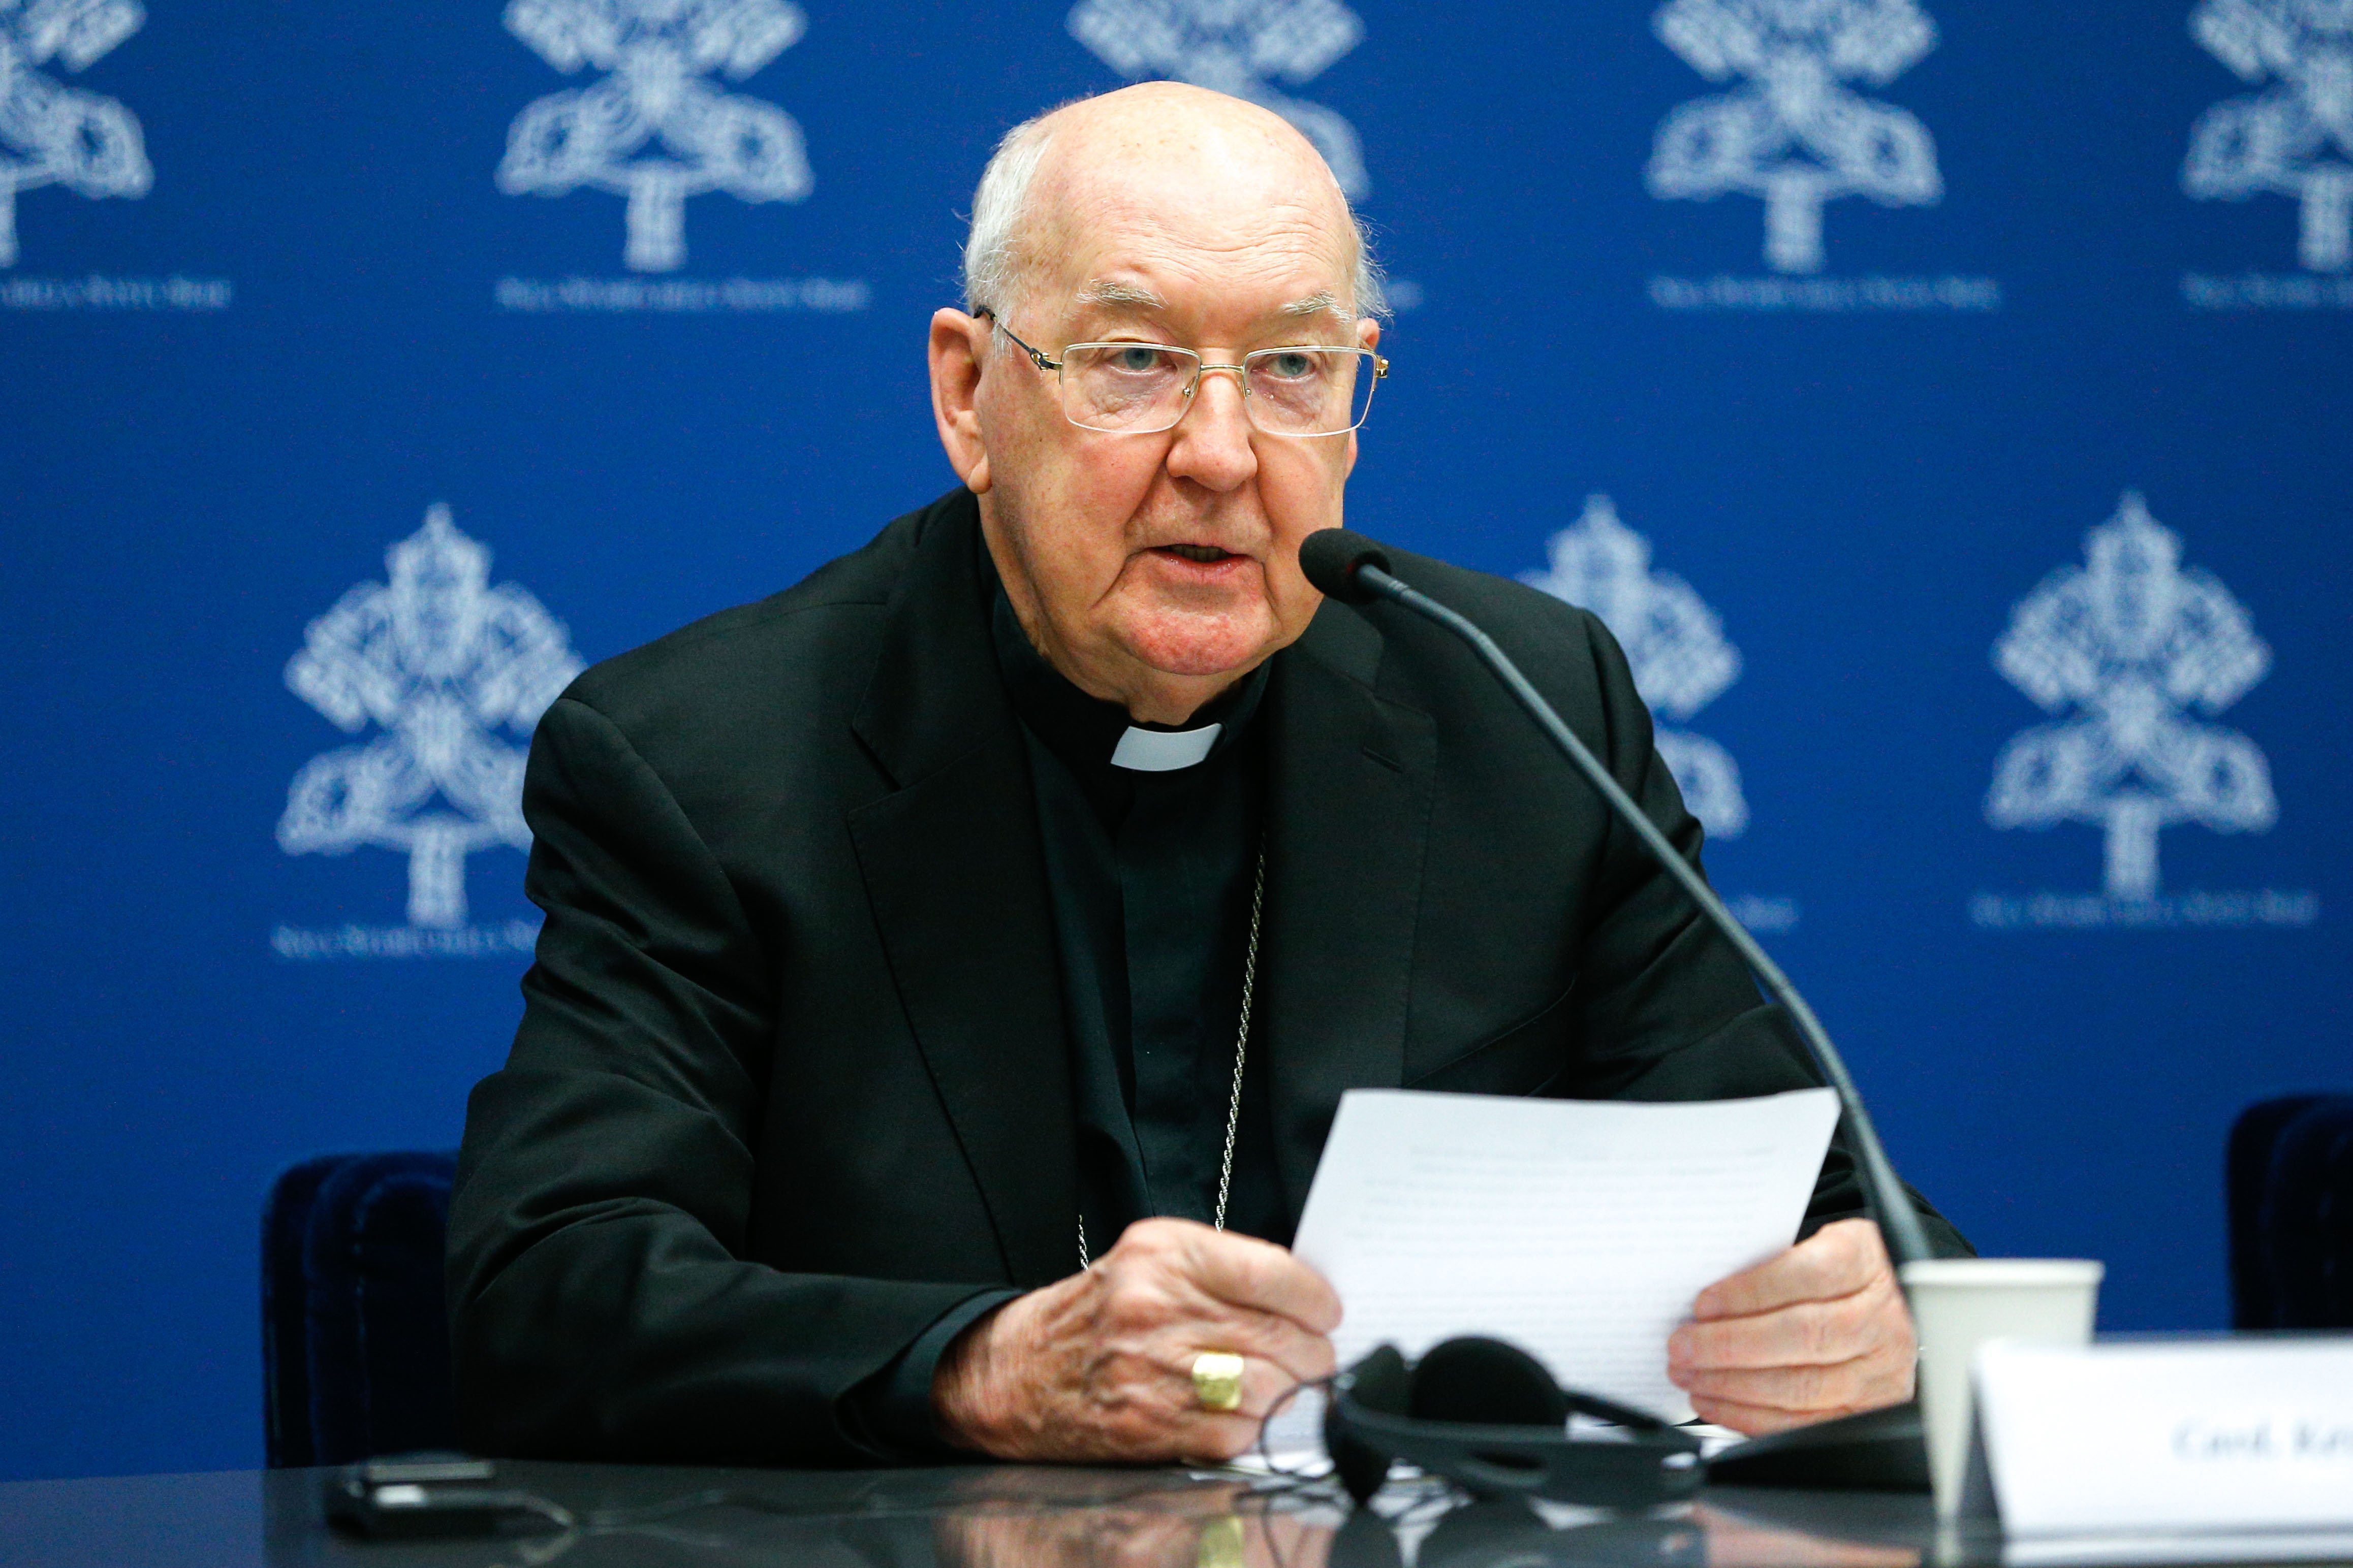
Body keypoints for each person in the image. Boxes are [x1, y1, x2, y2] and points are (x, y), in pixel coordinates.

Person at [446, 82, 1968, 1469]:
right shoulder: (707, 754)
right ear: (970, 394)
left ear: (1358, 389)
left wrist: (1871, 1315)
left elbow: (1826, 1216)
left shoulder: (1521, 706)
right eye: (1136, 363)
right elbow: (546, 1286)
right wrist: (979, 1367)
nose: (1224, 452)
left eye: (1293, 367)